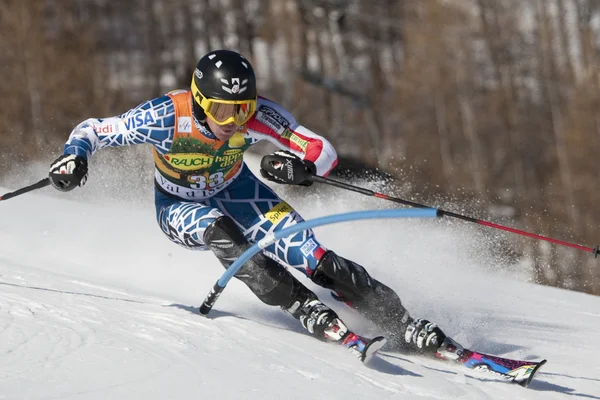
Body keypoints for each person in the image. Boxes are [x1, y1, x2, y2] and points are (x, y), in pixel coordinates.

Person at [48, 49, 459, 361]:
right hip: (179, 204)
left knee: (312, 256)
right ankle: (302, 305)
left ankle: (402, 323)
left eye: (242, 108)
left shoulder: (258, 115)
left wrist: (302, 166)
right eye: (224, 110)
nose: (234, 120)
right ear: (200, 101)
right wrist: (76, 155)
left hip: (240, 191)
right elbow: (95, 130)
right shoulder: (165, 116)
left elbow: (321, 149)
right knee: (225, 238)